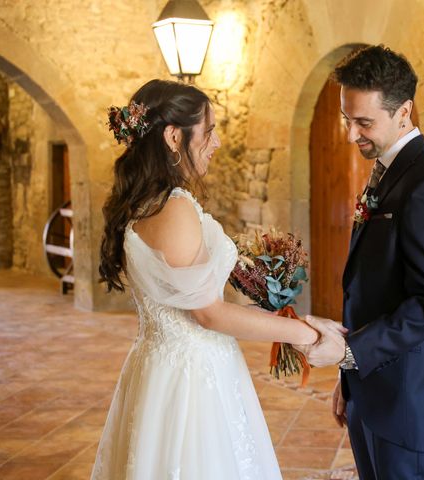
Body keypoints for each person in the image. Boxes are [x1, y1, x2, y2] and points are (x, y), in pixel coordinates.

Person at [92, 79, 344, 480]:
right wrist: (304, 333)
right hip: (191, 381)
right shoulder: (173, 208)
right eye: (208, 131)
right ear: (174, 137)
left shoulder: (145, 203)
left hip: (163, 366)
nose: (218, 142)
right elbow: (207, 314)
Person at [298, 46, 424, 479]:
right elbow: (374, 288)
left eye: (364, 122)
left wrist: (351, 352)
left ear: (404, 112)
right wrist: (351, 377)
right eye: (346, 119)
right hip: (372, 389)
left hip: (406, 404)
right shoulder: (388, 171)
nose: (351, 133)